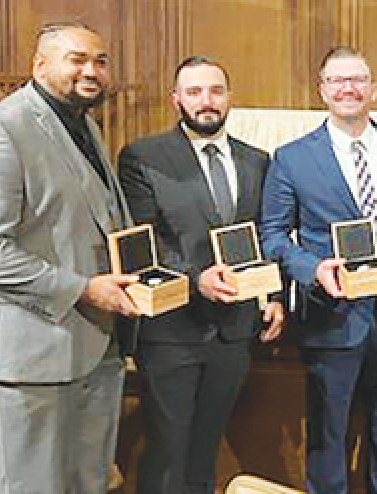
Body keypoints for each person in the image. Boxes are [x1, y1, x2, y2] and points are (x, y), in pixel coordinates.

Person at [116, 55, 286, 494]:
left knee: (205, 451)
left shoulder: (257, 161)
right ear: (176, 100)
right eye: (194, 92)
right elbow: (144, 237)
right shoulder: (143, 156)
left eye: (215, 91)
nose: (206, 101)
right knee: (168, 452)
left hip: (234, 334)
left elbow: (265, 238)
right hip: (173, 331)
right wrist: (195, 278)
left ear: (229, 98)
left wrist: (272, 298)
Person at [260, 46, 377, 494]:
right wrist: (311, 267)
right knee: (328, 440)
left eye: (359, 79)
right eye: (338, 80)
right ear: (322, 90)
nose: (349, 88)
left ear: (374, 88)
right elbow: (272, 236)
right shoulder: (291, 158)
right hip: (331, 317)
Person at [0, 21, 140, 493]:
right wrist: (80, 288)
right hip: (37, 357)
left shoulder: (85, 125)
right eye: (76, 59)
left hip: (96, 346)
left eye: (100, 61)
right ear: (39, 65)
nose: (92, 71)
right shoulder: (6, 127)